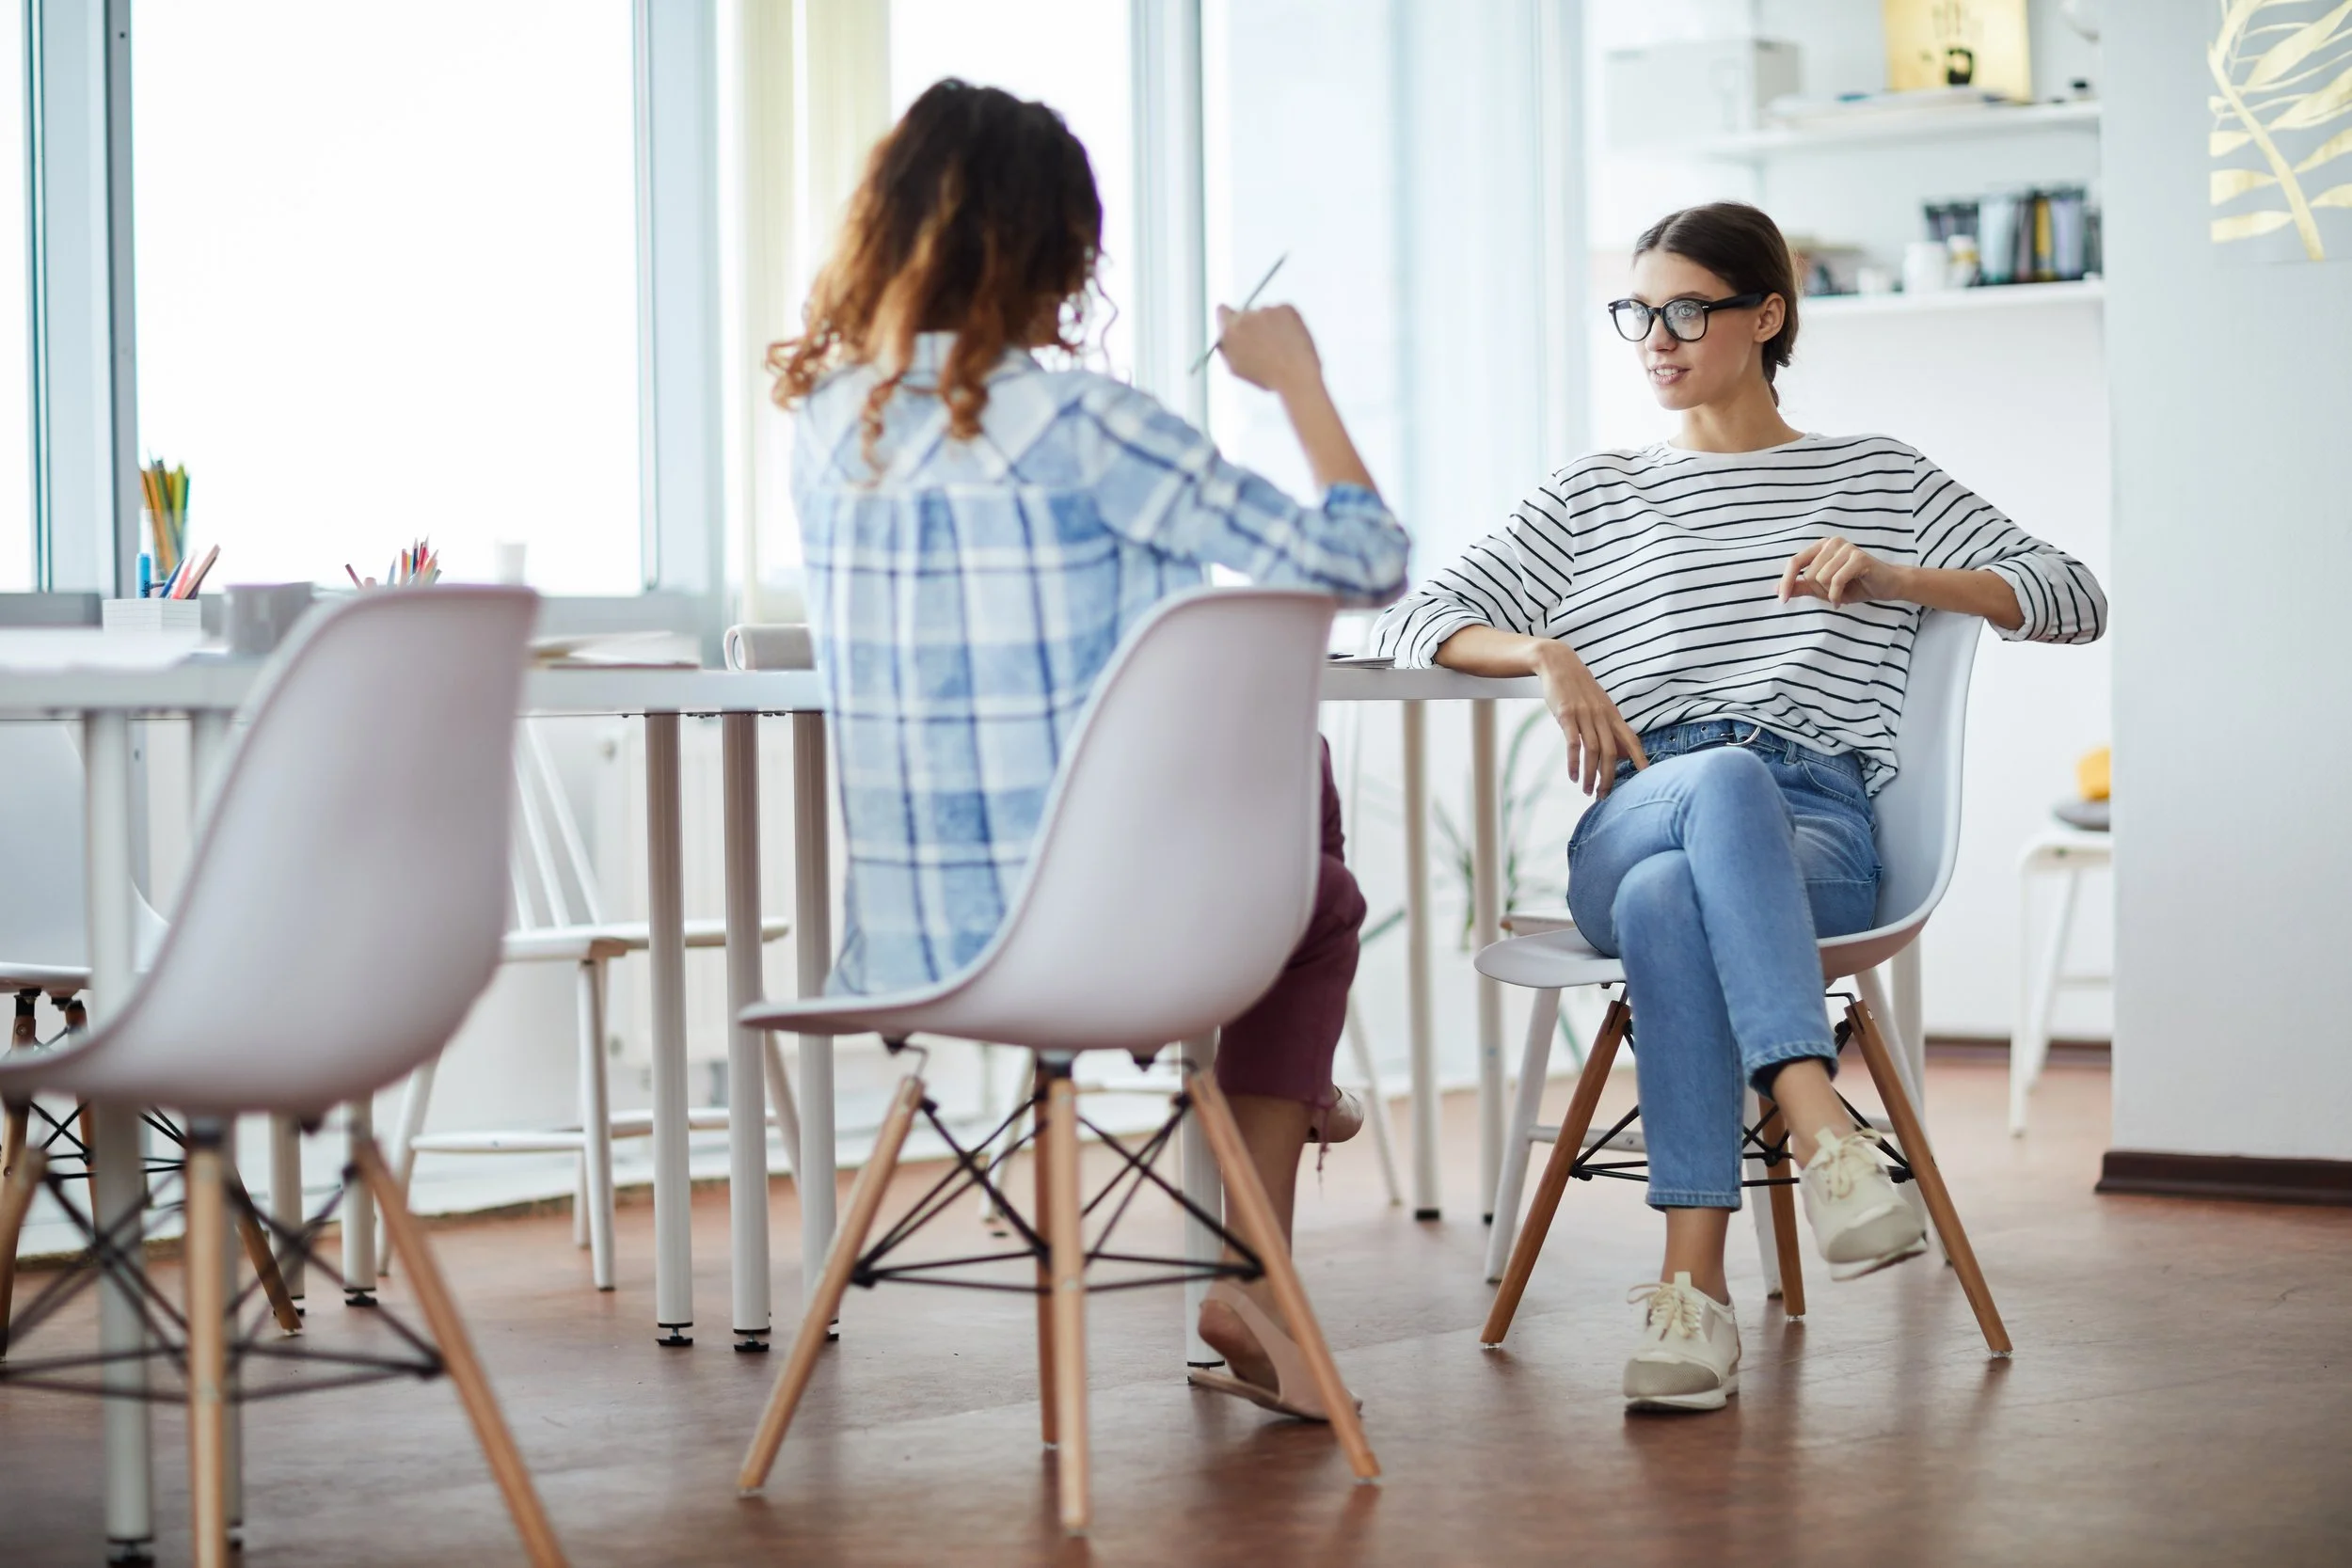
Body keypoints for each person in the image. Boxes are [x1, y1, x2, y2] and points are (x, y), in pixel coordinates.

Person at [1373, 201, 2106, 1413]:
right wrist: (1549, 654)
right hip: (1636, 808)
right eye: (1638, 313)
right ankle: (1820, 1121)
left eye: (1685, 309)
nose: (1654, 337)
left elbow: (2072, 594)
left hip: (1815, 828)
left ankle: (1691, 1299)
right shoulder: (1590, 496)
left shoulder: (1878, 476)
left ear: (1766, 316)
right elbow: (1408, 622)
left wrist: (1895, 575)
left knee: (1679, 894)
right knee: (1703, 792)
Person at [771, 79, 1409, 1419]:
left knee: (1296, 798)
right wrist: (1298, 381)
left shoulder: (829, 428)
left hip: (911, 948)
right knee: (1320, 897)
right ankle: (1259, 1250)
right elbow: (1369, 559)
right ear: (1058, 245)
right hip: (1107, 932)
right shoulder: (1087, 423)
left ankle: (1280, 1141)